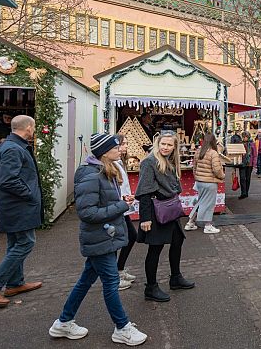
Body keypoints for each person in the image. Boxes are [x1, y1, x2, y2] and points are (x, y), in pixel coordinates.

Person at [48, 133, 148, 345]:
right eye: (115, 147)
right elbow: (87, 213)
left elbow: (99, 204)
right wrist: (122, 205)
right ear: (104, 151)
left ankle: (63, 322)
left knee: (86, 280)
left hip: (105, 236)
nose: (120, 149)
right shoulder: (92, 175)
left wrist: (121, 200)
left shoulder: (103, 170)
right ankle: (122, 327)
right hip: (100, 237)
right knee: (111, 283)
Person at [0, 115, 43, 306]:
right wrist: (29, 194)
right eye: (34, 127)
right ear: (28, 127)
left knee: (16, 243)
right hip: (18, 206)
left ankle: (15, 283)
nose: (34, 130)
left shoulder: (12, 146)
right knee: (25, 243)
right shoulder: (13, 148)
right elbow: (8, 180)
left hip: (14, 206)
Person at [135, 133, 194, 302]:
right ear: (157, 143)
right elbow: (145, 192)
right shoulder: (149, 162)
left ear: (174, 147)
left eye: (169, 145)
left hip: (170, 209)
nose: (165, 147)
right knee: (155, 249)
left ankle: (175, 278)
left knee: (177, 242)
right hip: (155, 211)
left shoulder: (170, 161)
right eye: (163, 144)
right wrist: (145, 218)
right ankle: (151, 288)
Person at [186, 134, 225, 234]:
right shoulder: (213, 153)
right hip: (210, 182)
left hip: (199, 182)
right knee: (208, 204)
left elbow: (194, 167)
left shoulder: (198, 151)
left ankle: (190, 223)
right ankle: (208, 225)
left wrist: (197, 177)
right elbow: (217, 169)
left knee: (200, 202)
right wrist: (222, 176)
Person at [114, 134, 137, 291]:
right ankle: (115, 275)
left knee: (130, 237)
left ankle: (119, 270)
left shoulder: (119, 162)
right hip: (119, 207)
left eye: (126, 143)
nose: (125, 146)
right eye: (123, 144)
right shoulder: (112, 163)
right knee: (122, 239)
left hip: (124, 205)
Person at [238, 131, 257, 200]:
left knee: (248, 178)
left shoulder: (252, 144)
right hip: (242, 163)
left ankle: (246, 192)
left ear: (248, 137)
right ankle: (243, 193)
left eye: (245, 137)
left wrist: (254, 163)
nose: (243, 138)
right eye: (243, 137)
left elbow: (255, 154)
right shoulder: (240, 143)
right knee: (242, 178)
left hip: (249, 163)